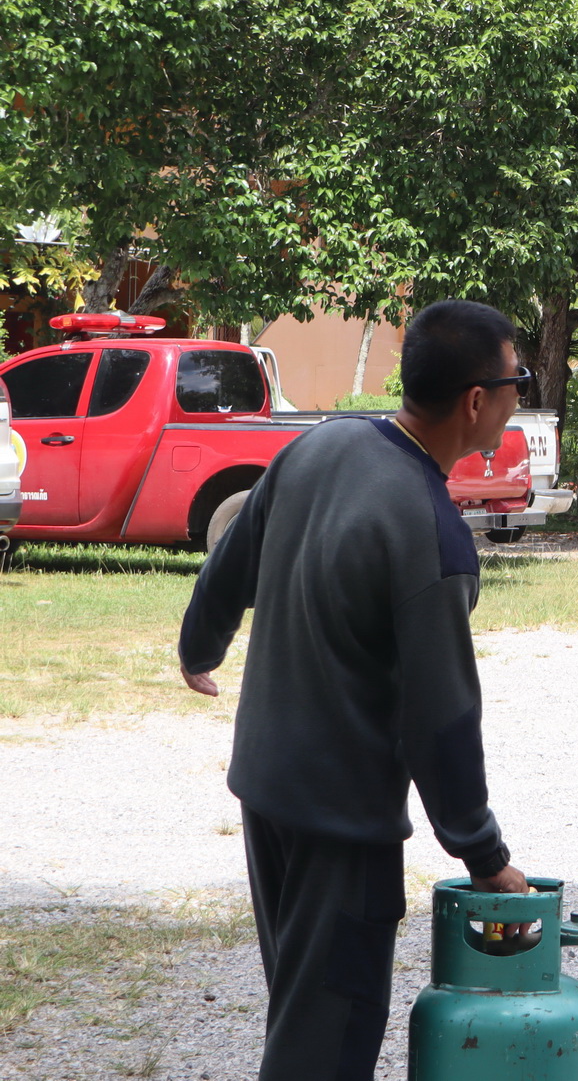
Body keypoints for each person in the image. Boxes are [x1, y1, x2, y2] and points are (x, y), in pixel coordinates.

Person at [178, 300, 532, 1081]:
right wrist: (483, 853)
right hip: (342, 823)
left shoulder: (321, 444)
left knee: (300, 1011)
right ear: (478, 400)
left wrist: (199, 644)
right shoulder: (432, 533)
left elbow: (232, 558)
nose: (520, 395)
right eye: (519, 380)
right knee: (326, 1043)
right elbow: (441, 718)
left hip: (266, 790)